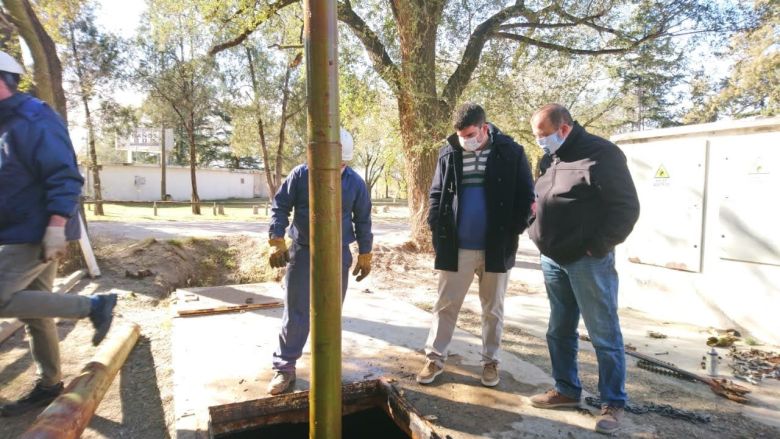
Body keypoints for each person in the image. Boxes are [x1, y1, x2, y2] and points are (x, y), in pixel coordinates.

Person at [0, 51, 117, 417]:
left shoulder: (34, 117)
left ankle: (94, 305)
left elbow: (64, 175)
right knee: (37, 311)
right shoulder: (5, 123)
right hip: (16, 229)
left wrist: (55, 226)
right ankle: (49, 383)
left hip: (33, 231)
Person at [526, 104, 640, 435]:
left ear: (563, 129)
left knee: (603, 333)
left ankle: (613, 403)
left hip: (588, 261)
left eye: (543, 135)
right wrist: (533, 226)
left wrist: (597, 246)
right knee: (558, 329)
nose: (540, 142)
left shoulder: (602, 154)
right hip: (552, 259)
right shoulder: (550, 158)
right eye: (537, 137)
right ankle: (566, 390)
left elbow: (626, 208)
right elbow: (540, 197)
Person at [417, 102, 534, 387]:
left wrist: (513, 231)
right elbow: (436, 194)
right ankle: (434, 358)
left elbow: (526, 198)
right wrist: (436, 224)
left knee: (493, 309)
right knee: (445, 306)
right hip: (456, 249)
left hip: (497, 248)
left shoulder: (511, 152)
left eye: (470, 134)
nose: (465, 140)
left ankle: (490, 362)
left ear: (484, 128)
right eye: (460, 135)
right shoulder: (449, 152)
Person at [266, 128, 373, 395]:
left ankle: (327, 367)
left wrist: (365, 252)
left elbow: (363, 219)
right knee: (296, 312)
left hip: (338, 254)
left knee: (330, 313)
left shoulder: (355, 184)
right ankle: (285, 368)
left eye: (342, 164)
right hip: (303, 252)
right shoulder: (301, 175)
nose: (336, 168)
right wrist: (277, 238)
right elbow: (280, 206)